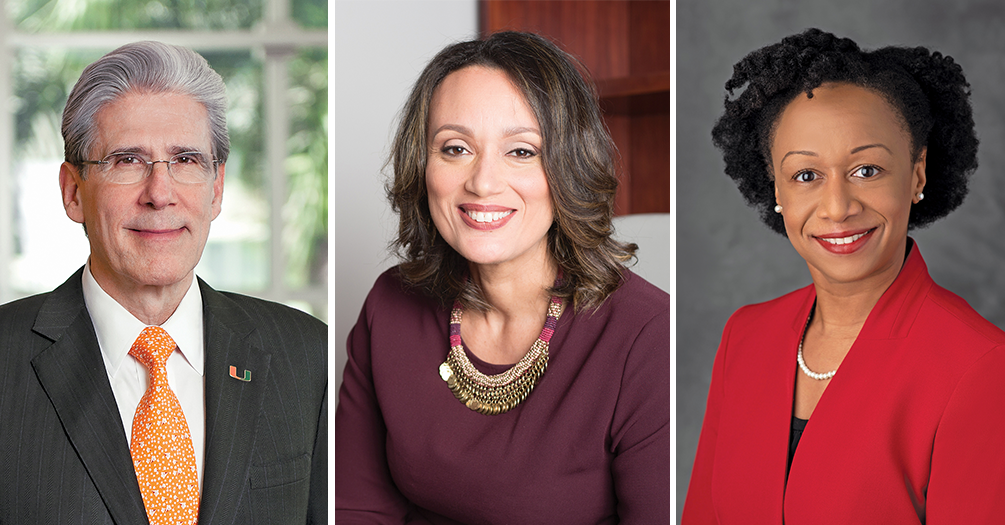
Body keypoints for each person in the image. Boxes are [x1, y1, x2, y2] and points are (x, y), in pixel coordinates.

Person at [333, 31, 672, 524]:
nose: (483, 182)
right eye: (455, 148)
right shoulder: (390, 304)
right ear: (422, 164)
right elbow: (356, 508)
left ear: (568, 167)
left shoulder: (648, 337)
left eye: (521, 151)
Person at [682, 28, 1005, 523]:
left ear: (916, 173)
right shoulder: (745, 337)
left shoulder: (980, 367)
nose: (837, 208)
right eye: (806, 176)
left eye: (867, 170)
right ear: (777, 189)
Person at [0, 41, 326, 523]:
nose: (160, 194)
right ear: (73, 193)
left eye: (187, 160)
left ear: (216, 190)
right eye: (128, 160)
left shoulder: (307, 355)